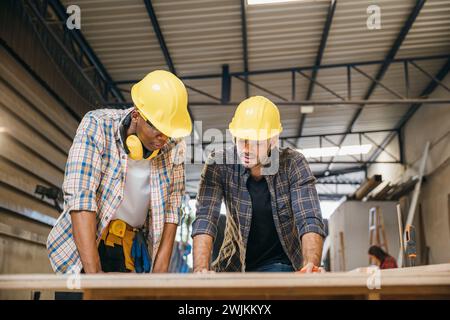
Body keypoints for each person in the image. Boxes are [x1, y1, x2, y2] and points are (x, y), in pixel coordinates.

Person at [47, 70, 191, 274]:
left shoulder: (174, 147)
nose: (163, 138)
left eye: (169, 131)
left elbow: (172, 210)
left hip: (130, 251)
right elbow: (81, 197)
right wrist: (94, 277)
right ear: (136, 115)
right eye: (157, 128)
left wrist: (159, 279)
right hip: (82, 249)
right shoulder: (97, 125)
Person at [192, 96, 326, 273]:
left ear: (273, 140)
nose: (246, 149)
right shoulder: (219, 164)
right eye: (242, 140)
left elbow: (308, 218)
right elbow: (205, 218)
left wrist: (311, 265)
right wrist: (200, 269)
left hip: (282, 264)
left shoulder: (293, 163)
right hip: (234, 264)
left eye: (256, 142)